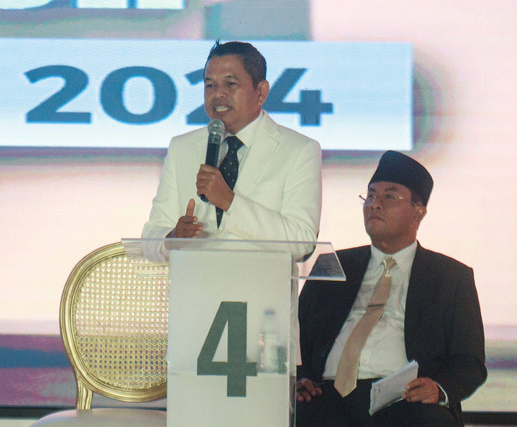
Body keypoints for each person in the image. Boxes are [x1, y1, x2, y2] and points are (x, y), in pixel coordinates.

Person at [296, 151, 486, 426]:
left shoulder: (450, 277)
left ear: (418, 212)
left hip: (404, 402)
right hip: (327, 397)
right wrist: (299, 377)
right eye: (370, 196)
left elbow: (470, 363)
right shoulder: (333, 265)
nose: (375, 205)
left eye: (389, 197)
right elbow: (294, 337)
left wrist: (437, 388)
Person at [141, 40, 322, 260]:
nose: (219, 94)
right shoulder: (182, 148)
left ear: (261, 92)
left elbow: (302, 241)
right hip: (193, 290)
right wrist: (172, 238)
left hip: (261, 292)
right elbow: (151, 237)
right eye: (210, 85)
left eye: (231, 84)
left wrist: (229, 202)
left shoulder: (299, 150)